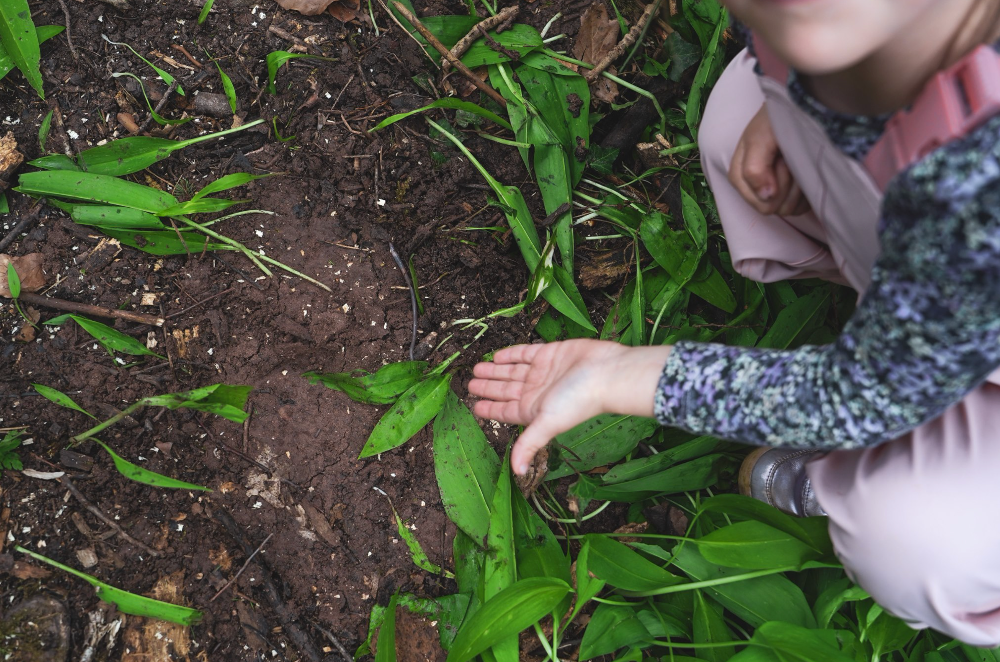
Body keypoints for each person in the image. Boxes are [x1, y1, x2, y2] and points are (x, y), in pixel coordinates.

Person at [468, 0, 1000, 647]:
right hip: (947, 259)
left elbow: (857, 395)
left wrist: (624, 375)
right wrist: (795, 103)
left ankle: (922, 486)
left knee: (912, 543)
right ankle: (907, 322)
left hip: (956, 273)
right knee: (735, 117)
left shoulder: (980, 181)